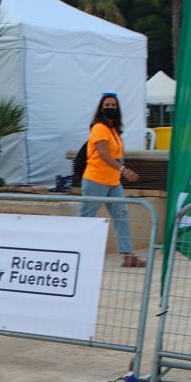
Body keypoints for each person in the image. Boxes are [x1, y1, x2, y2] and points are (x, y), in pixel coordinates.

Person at [78, 92, 146, 268]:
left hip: (113, 182)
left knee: (121, 216)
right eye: (107, 105)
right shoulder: (99, 128)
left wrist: (120, 171)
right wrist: (124, 170)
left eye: (113, 106)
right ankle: (77, 253)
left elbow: (116, 154)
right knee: (86, 219)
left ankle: (128, 255)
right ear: (101, 108)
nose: (110, 108)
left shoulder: (114, 130)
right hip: (96, 180)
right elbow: (103, 154)